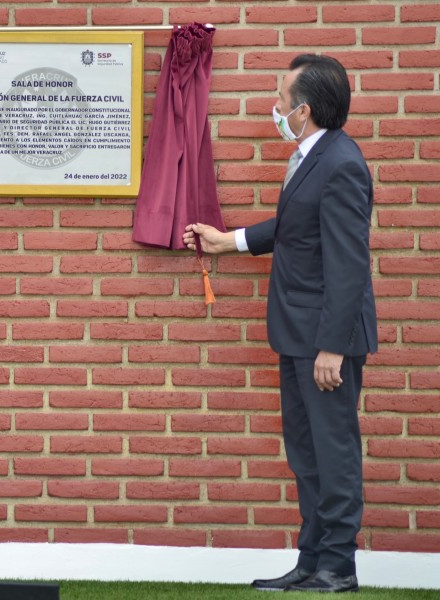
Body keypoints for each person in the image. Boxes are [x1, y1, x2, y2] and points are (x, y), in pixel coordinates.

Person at [183, 54, 377, 593]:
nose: (276, 107)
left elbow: (347, 263)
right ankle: (311, 558)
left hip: (324, 342)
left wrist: (332, 347)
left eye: (282, 100)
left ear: (306, 109)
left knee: (332, 452)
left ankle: (338, 566)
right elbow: (296, 226)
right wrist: (232, 240)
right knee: (306, 453)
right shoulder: (312, 156)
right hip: (300, 336)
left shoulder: (340, 163)